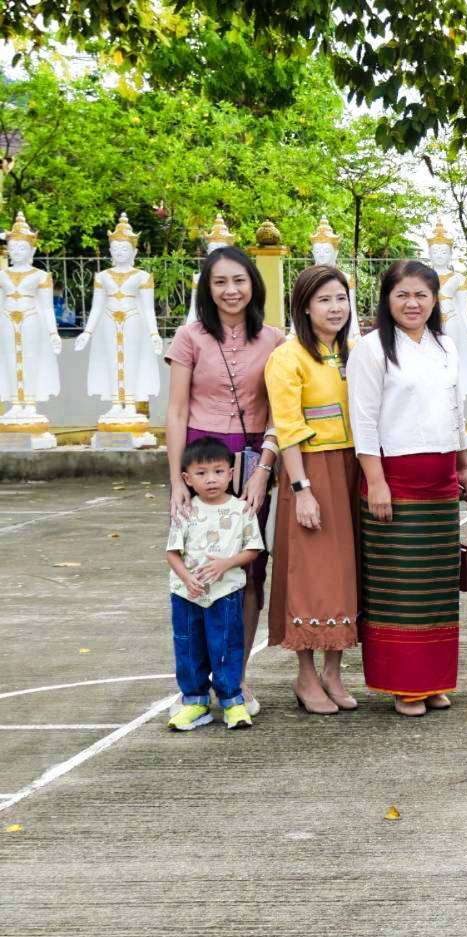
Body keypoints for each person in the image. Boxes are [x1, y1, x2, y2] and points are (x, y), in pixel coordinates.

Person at [348, 259, 467, 717]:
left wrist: (462, 464)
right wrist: (376, 482)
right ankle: (404, 685)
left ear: (435, 299)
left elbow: (454, 409)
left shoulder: (445, 346)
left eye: (422, 294)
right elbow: (362, 420)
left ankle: (435, 681)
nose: (412, 303)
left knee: (436, 589)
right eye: (402, 294)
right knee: (399, 590)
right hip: (394, 482)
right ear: (387, 299)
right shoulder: (370, 349)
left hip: (440, 484)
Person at [164, 247, 284, 714]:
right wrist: (176, 479)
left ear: (253, 283)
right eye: (219, 282)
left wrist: (264, 471)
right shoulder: (190, 337)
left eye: (239, 280)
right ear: (206, 289)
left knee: (246, 568)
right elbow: (175, 412)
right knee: (194, 566)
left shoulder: (274, 339)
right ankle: (194, 680)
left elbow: (280, 411)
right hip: (200, 461)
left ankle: (237, 677)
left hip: (254, 457)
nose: (231, 291)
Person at [264, 265, 362, 714]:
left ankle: (334, 673)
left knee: (344, 571)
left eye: (340, 298)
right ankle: (305, 675)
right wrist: (302, 488)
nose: (335, 307)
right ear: (304, 306)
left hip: (351, 468)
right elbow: (288, 428)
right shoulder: (288, 357)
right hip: (310, 470)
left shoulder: (355, 352)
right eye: (324, 299)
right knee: (310, 572)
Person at [164, 437, 266, 732]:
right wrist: (187, 578)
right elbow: (172, 552)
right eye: (202, 473)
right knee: (189, 647)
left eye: (219, 472)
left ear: (231, 474)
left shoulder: (241, 510)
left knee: (225, 645)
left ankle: (232, 700)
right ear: (187, 478)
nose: (211, 480)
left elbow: (254, 549)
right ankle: (195, 701)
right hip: (186, 594)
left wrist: (226, 563)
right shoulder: (184, 509)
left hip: (225, 593)